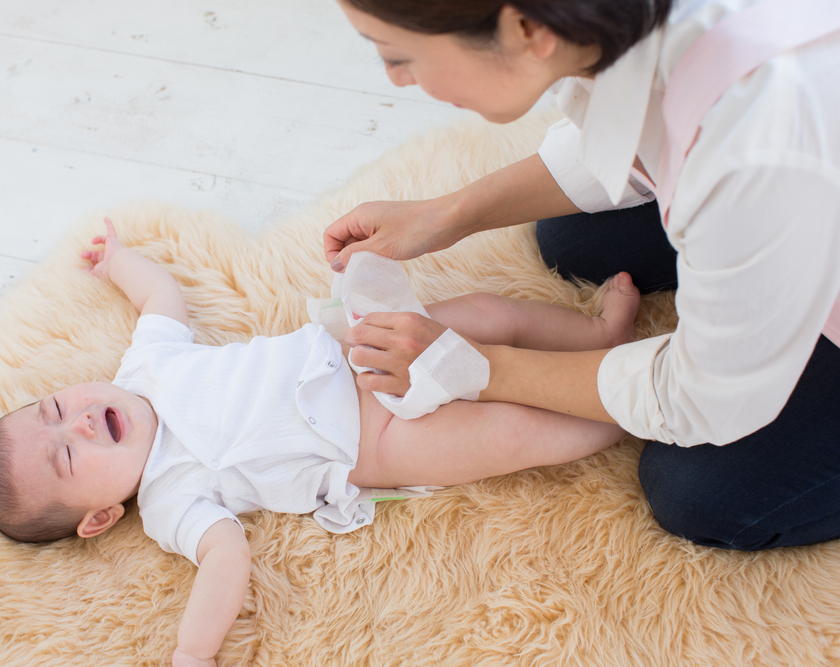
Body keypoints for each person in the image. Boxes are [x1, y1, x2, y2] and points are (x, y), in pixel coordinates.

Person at [0, 218, 638, 666]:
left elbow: (160, 301)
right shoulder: (168, 497)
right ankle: (633, 408)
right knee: (516, 433)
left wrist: (119, 260)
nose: (80, 423)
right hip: (377, 440)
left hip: (357, 350)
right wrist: (193, 652)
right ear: (100, 516)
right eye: (68, 453)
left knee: (489, 314)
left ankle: (596, 339)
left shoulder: (143, 368)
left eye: (59, 407)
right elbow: (224, 558)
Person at [324, 0, 840, 551]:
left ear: (524, 28)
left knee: (698, 491)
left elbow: (705, 400)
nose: (395, 81)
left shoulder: (757, 148)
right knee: (575, 240)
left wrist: (470, 367)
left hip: (796, 189)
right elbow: (632, 138)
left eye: (398, 56)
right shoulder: (632, 26)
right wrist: (448, 214)